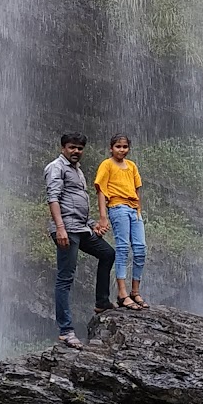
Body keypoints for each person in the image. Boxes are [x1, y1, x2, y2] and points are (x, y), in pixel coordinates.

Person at [44, 132, 115, 348]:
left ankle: (102, 302)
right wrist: (60, 228)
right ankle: (66, 330)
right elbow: (53, 198)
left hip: (81, 228)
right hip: (67, 230)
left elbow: (75, 201)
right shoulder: (56, 167)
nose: (76, 151)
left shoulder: (77, 170)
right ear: (63, 147)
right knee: (65, 278)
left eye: (80, 148)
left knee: (108, 253)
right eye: (72, 147)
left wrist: (92, 222)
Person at [94, 134, 147, 310]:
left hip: (134, 209)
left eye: (124, 147)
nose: (121, 150)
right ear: (111, 148)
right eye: (118, 146)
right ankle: (122, 293)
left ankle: (135, 291)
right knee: (123, 248)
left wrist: (138, 208)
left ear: (128, 148)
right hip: (117, 207)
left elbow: (137, 187)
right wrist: (103, 216)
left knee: (140, 249)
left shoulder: (131, 165)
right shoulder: (107, 165)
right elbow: (101, 190)